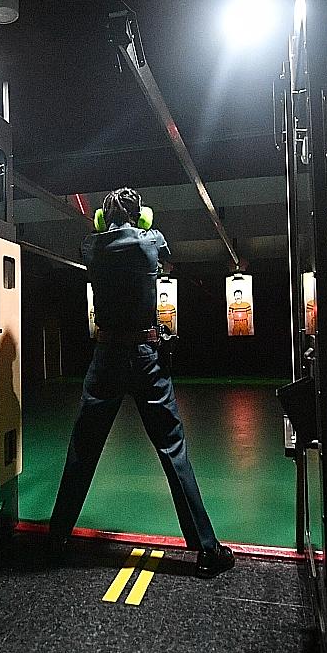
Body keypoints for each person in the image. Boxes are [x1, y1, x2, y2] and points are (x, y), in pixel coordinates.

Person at [48, 187, 234, 578]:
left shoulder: (92, 247)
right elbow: (162, 256)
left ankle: (56, 539)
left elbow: (100, 240)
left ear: (102, 219)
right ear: (142, 216)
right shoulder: (152, 241)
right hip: (146, 356)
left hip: (105, 357)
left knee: (82, 449)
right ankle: (206, 548)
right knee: (173, 449)